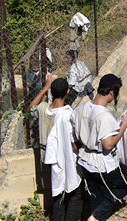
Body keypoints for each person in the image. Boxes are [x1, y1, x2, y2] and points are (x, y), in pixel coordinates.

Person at [72, 74, 127, 221]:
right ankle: (95, 216)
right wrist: (123, 126)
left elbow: (74, 136)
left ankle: (96, 215)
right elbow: (108, 144)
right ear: (112, 92)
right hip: (101, 162)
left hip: (85, 160)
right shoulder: (104, 115)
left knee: (96, 194)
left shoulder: (81, 108)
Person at [29, 74, 82, 221]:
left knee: (57, 192)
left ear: (51, 93)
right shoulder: (68, 114)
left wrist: (45, 87)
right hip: (66, 157)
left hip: (47, 157)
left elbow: (31, 107)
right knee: (74, 193)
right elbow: (74, 140)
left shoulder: (43, 109)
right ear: (67, 92)